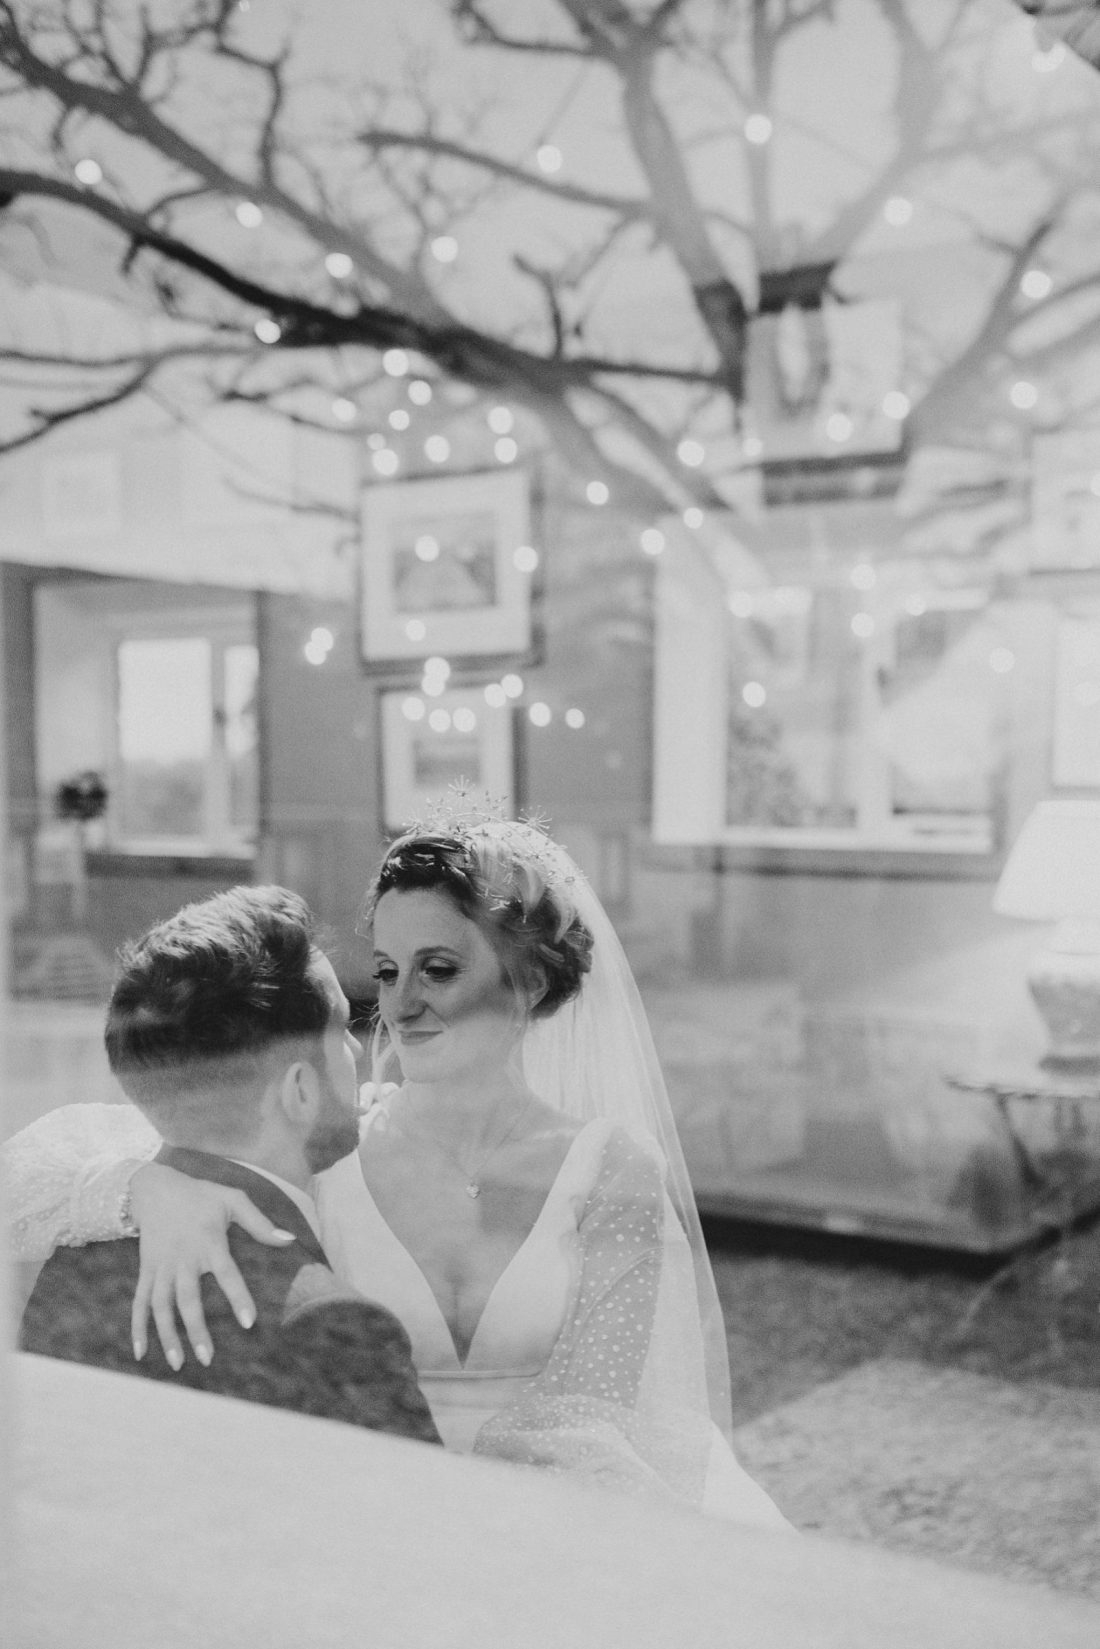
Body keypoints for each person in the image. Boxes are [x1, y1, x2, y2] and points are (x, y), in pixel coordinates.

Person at [6, 809, 785, 1523]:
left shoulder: (610, 1169)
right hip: (352, 1518)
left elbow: (601, 1416)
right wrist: (146, 1185)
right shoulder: (334, 1139)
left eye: (438, 968)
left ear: (530, 982)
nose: (400, 1004)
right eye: (384, 970)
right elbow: (84, 1159)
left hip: (554, 1520)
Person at [18, 884, 441, 1447]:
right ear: (298, 1092)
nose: (360, 1052)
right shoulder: (330, 1323)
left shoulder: (68, 1266)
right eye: (341, 1029)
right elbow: (423, 1525)